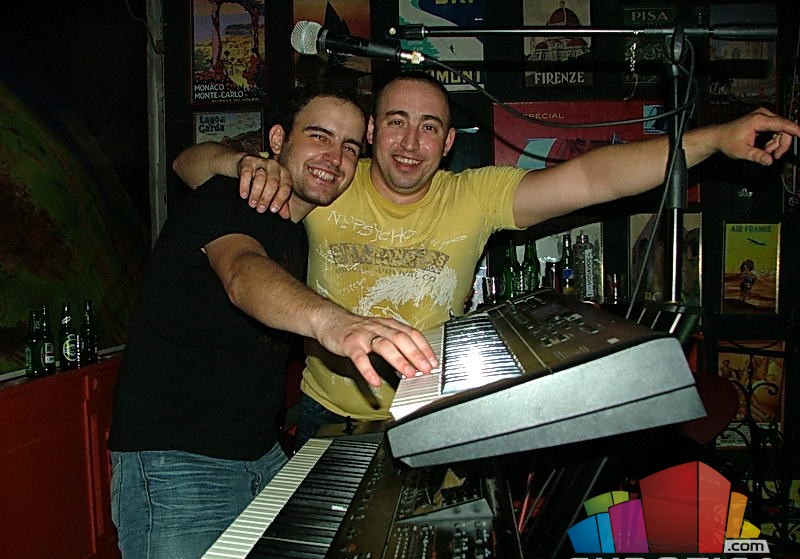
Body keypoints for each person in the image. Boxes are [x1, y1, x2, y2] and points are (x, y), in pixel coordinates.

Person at [173, 70, 800, 448]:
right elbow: (190, 165)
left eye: (429, 127)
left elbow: (593, 178)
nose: (410, 142)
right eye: (396, 122)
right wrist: (242, 162)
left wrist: (714, 139)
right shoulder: (331, 177)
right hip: (325, 416)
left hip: (432, 414)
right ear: (372, 132)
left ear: (448, 142)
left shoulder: (474, 195)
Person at [108, 85, 437, 559]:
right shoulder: (229, 199)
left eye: (350, 147)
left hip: (259, 457)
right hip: (177, 466)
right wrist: (335, 323)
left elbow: (189, 161)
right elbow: (243, 273)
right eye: (319, 136)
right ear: (279, 140)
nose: (334, 157)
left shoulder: (298, 227)